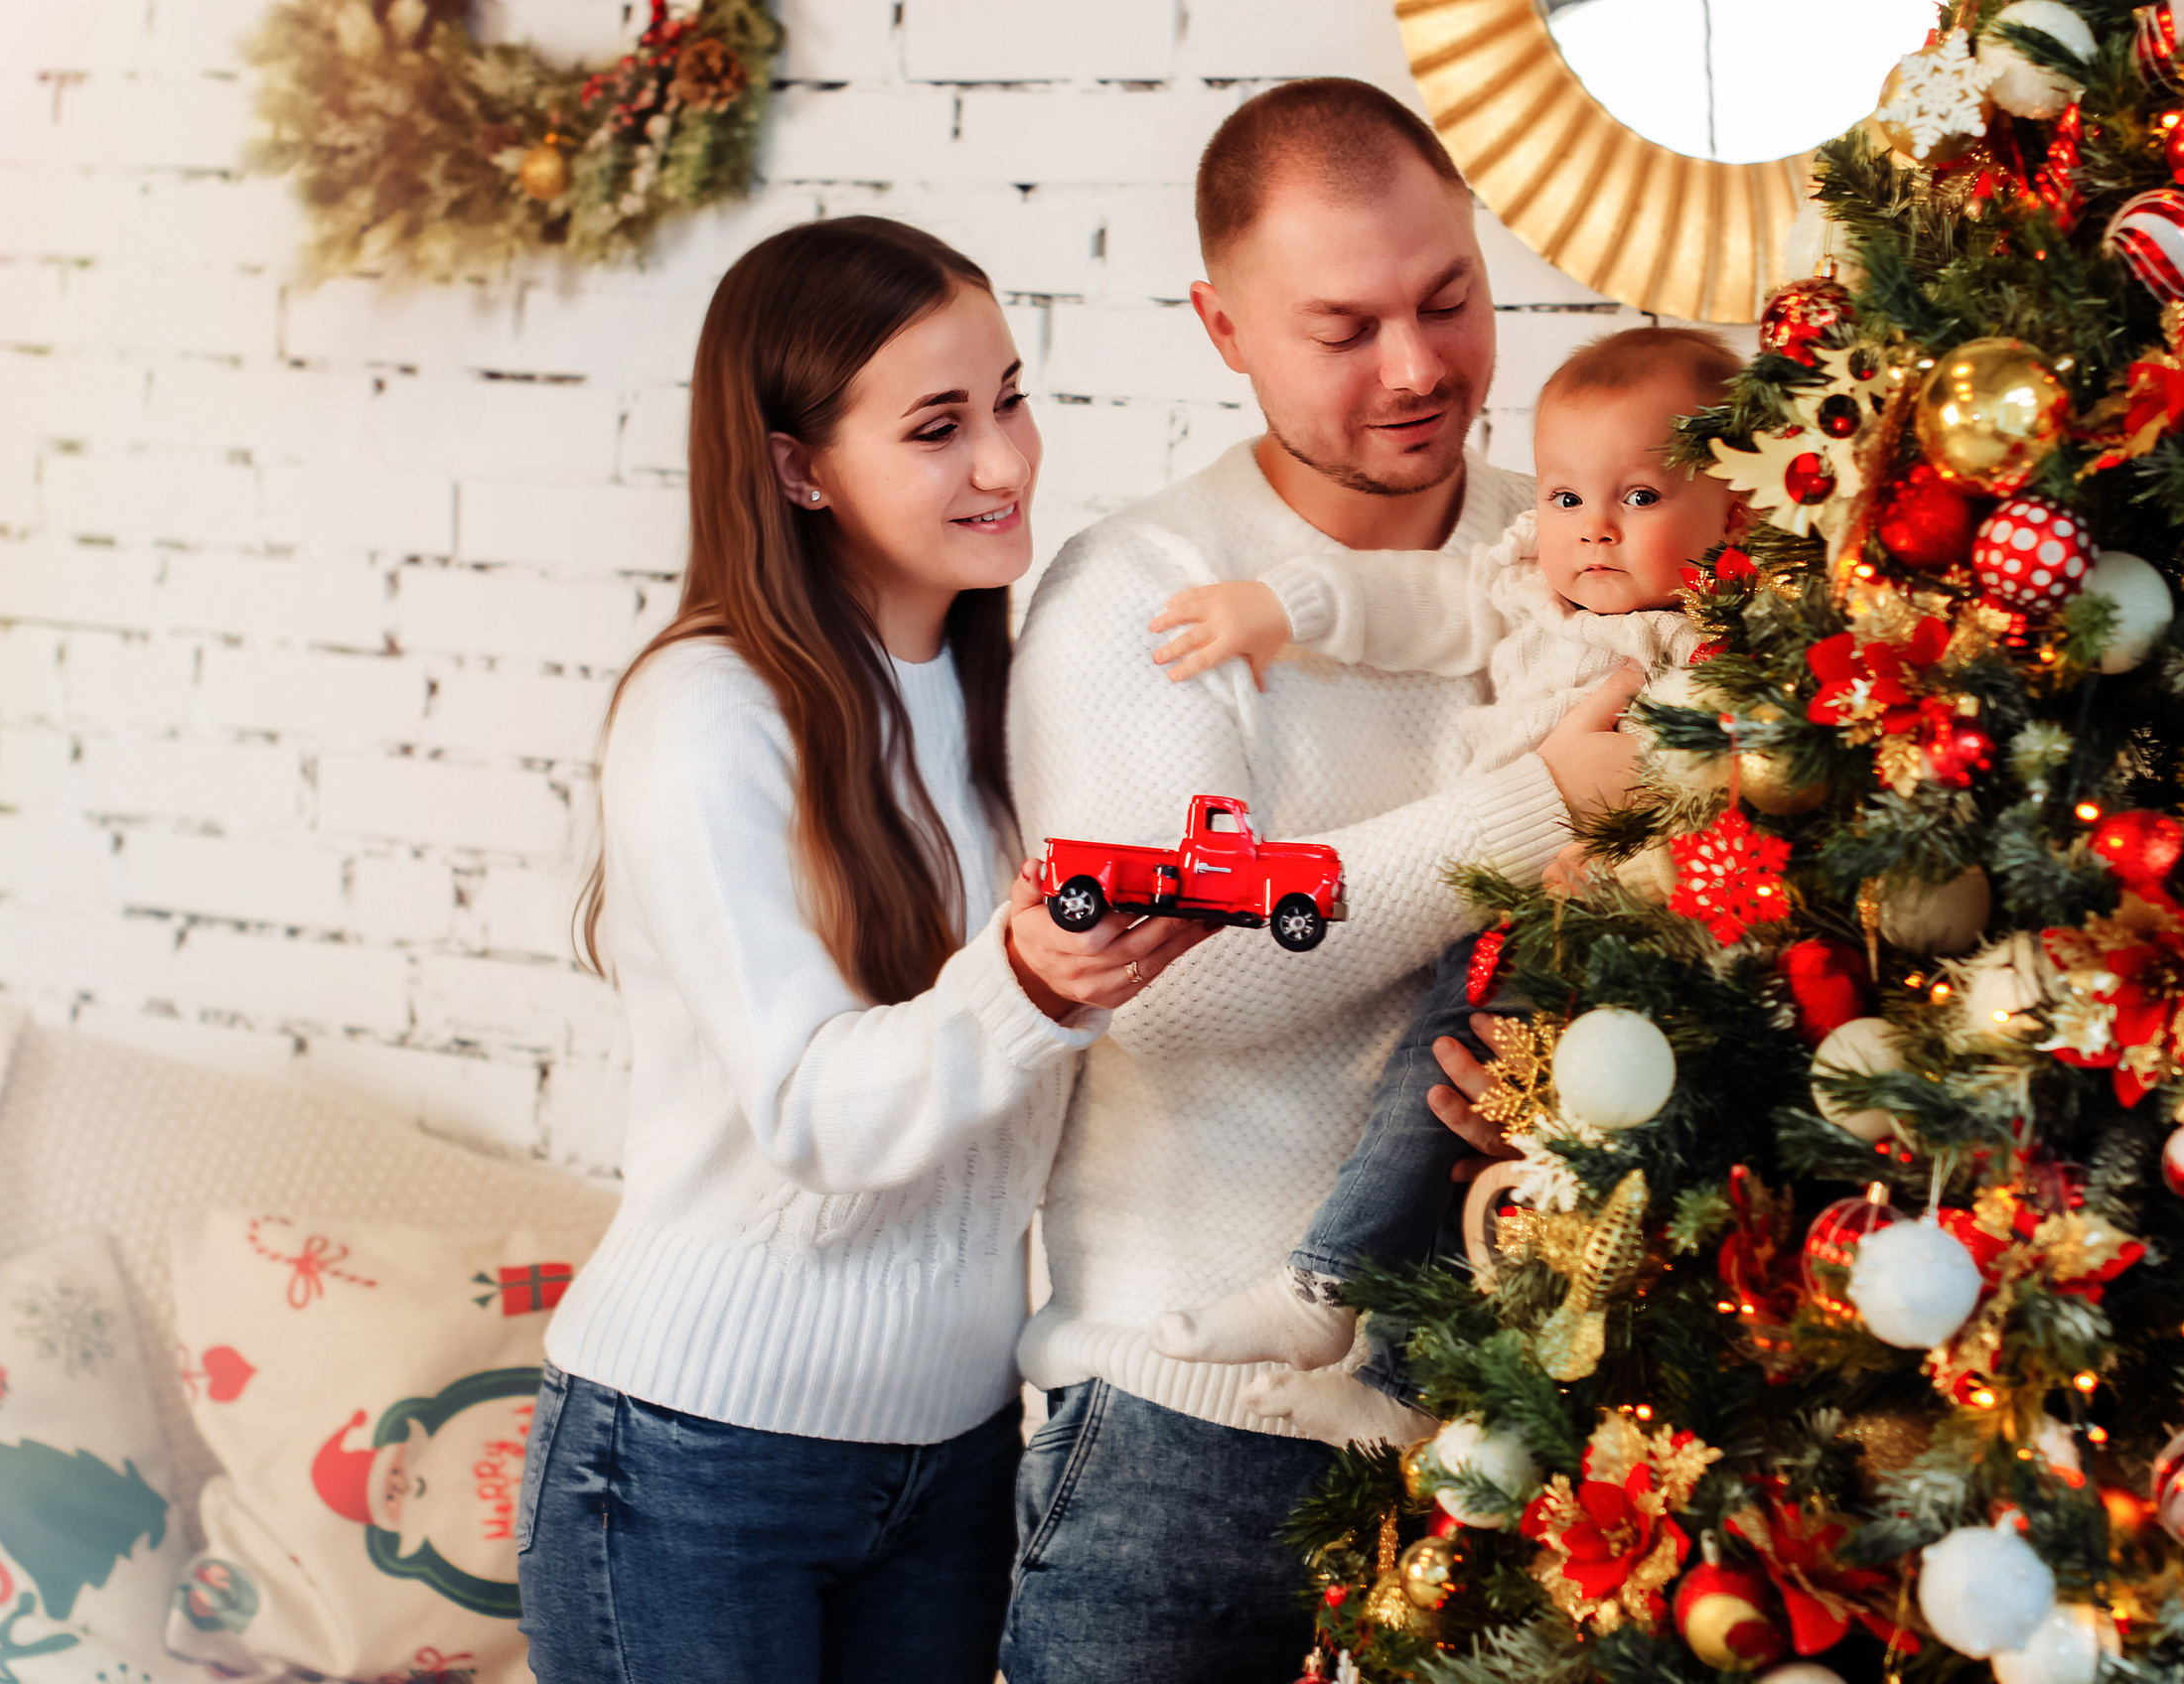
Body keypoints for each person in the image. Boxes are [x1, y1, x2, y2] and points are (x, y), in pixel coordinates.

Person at [999, 80, 1648, 1683]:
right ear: (1224, 328)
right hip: (1187, 1439)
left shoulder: (1572, 554)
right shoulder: (1145, 595)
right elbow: (1185, 981)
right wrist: (1538, 798)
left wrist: (1577, 1097)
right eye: (1345, 327)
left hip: (1499, 1442)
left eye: (1448, 299)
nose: (1420, 367)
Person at [515, 216, 1214, 1684]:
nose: (1008, 463)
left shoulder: (1005, 703)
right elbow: (812, 1109)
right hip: (691, 1466)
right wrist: (1028, 985)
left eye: (1011, 399)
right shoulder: (709, 715)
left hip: (955, 1452)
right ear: (797, 466)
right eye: (938, 427)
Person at [1143, 327, 1747, 1380]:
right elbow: (1406, 602)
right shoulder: (1522, 587)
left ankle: (1334, 1303)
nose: (1593, 530)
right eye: (1564, 498)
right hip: (1504, 916)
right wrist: (1284, 607)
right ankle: (1355, 1333)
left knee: (1544, 1174)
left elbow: (1724, 800)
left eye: (1638, 498)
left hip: (1633, 948)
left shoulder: (1710, 652)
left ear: (1732, 510)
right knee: (1436, 1111)